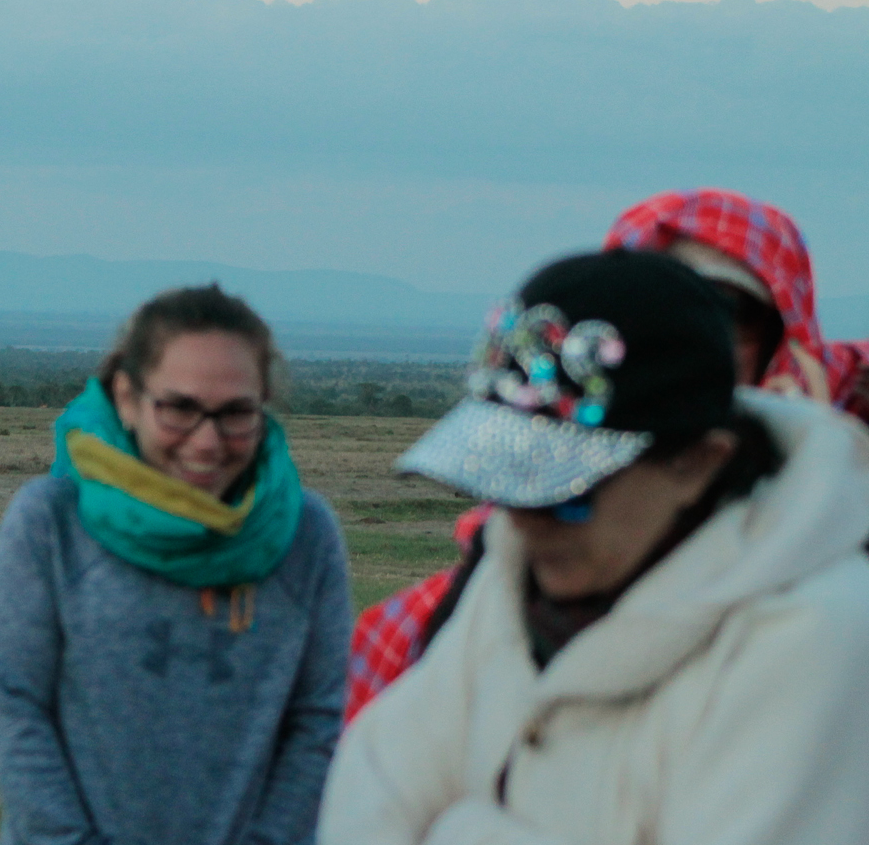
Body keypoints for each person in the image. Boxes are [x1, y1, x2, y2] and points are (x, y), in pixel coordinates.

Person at [320, 249, 869, 845]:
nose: (525, 523)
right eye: (506, 484)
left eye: (567, 492)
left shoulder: (812, 637)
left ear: (698, 463)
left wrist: (461, 827)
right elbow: (372, 786)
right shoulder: (515, 572)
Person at [344, 187, 856, 723]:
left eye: (727, 309)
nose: (692, 323)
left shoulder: (819, 590)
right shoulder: (455, 608)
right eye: (653, 301)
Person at [0, 284, 351, 845]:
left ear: (264, 403)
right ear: (127, 397)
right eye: (179, 408)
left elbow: (318, 722)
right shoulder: (51, 522)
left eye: (236, 414)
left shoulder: (306, 535)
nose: (206, 442)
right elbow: (12, 702)